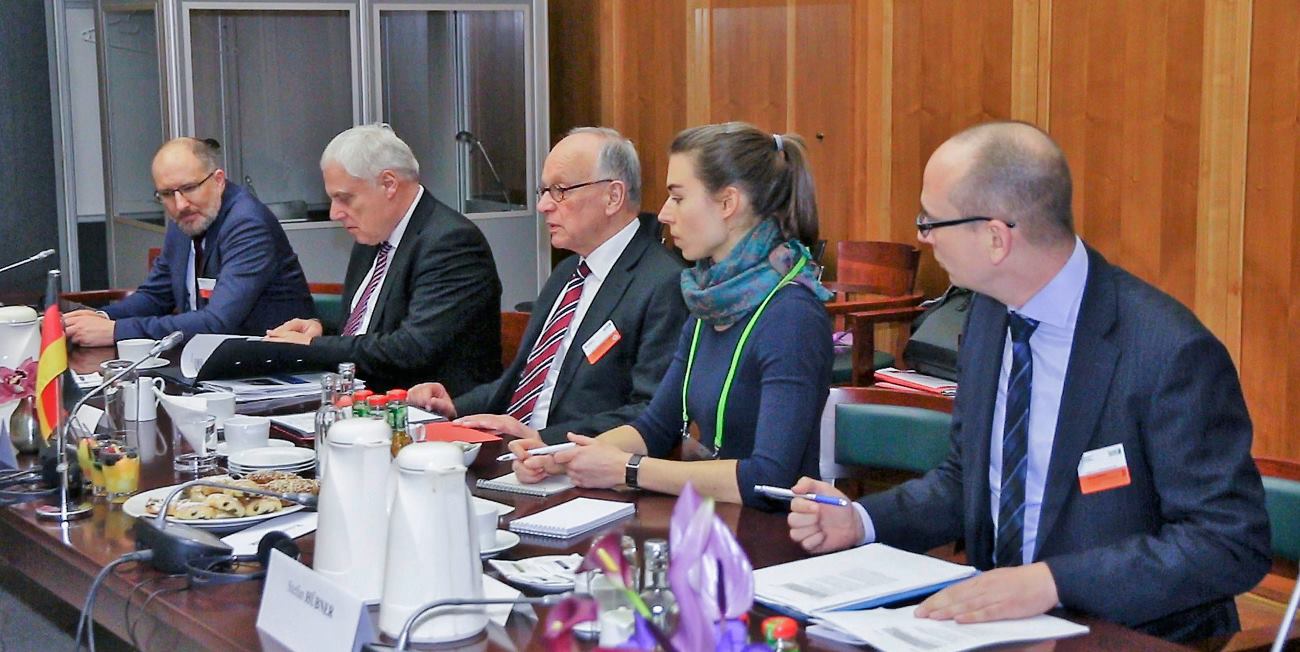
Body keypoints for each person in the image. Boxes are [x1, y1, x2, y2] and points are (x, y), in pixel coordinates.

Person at [786, 121, 1269, 642]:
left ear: (995, 238)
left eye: (931, 221)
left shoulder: (1168, 351)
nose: (922, 237)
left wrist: (1052, 583)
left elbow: (1226, 543)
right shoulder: (990, 315)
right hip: (996, 629)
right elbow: (968, 481)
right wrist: (861, 521)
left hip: (1130, 634)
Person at [507, 122, 833, 509]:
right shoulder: (710, 300)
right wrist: (562, 457)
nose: (663, 214)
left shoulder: (792, 316)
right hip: (709, 519)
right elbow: (656, 426)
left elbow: (768, 478)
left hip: (770, 529)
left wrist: (629, 470)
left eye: (678, 197)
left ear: (727, 204)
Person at [407, 128, 687, 444]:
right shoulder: (568, 271)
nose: (543, 206)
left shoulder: (663, 283)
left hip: (576, 460)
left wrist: (543, 440)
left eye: (560, 190)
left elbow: (651, 413)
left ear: (612, 196)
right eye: (543, 191)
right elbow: (525, 381)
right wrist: (455, 406)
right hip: (516, 451)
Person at [265, 124, 501, 394]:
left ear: (389, 184)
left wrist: (314, 348)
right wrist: (318, 331)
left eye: (344, 198)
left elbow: (413, 348)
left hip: (429, 407)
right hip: (365, 397)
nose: (334, 213)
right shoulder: (373, 235)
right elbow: (367, 329)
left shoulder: (451, 242)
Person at [64, 138, 313, 345]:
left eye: (190, 188)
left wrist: (117, 331)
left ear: (218, 180)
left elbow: (217, 323)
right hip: (208, 359)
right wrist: (99, 318)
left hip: (270, 367)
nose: (180, 204)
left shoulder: (247, 224)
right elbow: (155, 296)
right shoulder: (187, 218)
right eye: (167, 194)